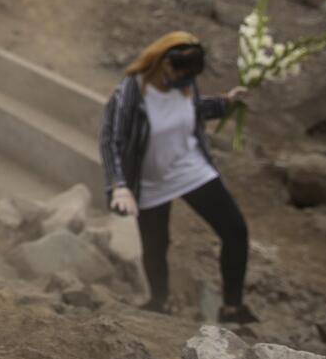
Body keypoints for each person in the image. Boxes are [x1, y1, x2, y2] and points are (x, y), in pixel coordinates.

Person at [99, 33, 255, 323]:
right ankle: (159, 302)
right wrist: (119, 184)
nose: (184, 81)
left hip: (190, 168)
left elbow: (192, 111)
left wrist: (226, 102)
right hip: (150, 180)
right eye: (179, 74)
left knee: (235, 230)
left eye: (189, 77)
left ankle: (232, 308)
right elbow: (111, 140)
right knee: (156, 246)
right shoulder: (131, 92)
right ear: (162, 62)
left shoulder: (185, 85)